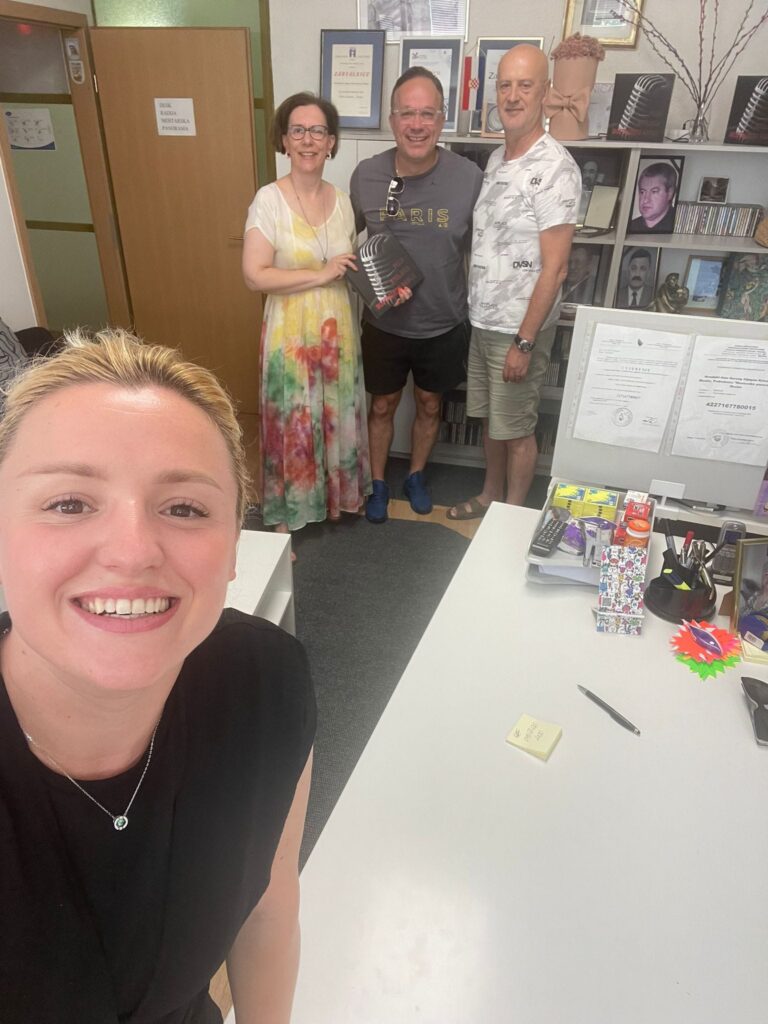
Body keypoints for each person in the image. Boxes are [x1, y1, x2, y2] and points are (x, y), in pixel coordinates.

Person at [0, 329, 316, 1023]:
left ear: (233, 548)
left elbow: (269, 905)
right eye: (69, 503)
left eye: (184, 508)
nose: (133, 551)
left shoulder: (263, 683)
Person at [448, 45, 580, 520]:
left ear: (545, 93)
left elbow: (556, 268)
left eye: (525, 85)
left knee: (518, 429)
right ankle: (490, 497)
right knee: (491, 421)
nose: (512, 95)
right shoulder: (496, 159)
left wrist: (524, 342)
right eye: (505, 85)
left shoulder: (556, 168)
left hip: (519, 329)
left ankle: (511, 518)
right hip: (484, 322)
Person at [350, 67, 483, 523]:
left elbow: (481, 250)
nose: (417, 124)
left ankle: (417, 475)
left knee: (430, 403)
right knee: (381, 405)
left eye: (427, 114)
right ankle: (378, 483)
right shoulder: (366, 175)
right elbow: (345, 243)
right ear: (392, 120)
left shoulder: (469, 178)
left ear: (442, 120)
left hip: (443, 320)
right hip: (384, 322)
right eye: (407, 113)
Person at [242, 92, 371, 541]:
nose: (308, 140)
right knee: (293, 418)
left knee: (335, 411)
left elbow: (348, 267)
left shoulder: (343, 201)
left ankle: (332, 500)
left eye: (318, 131)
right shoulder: (268, 200)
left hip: (337, 329)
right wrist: (319, 274)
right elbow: (255, 275)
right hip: (291, 332)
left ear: (331, 142)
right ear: (284, 140)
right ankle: (285, 516)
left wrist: (388, 283)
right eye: (298, 130)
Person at [629, 162, 678, 233]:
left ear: (670, 193)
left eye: (654, 191)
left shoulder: (679, 226)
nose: (645, 200)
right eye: (642, 192)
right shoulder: (631, 226)